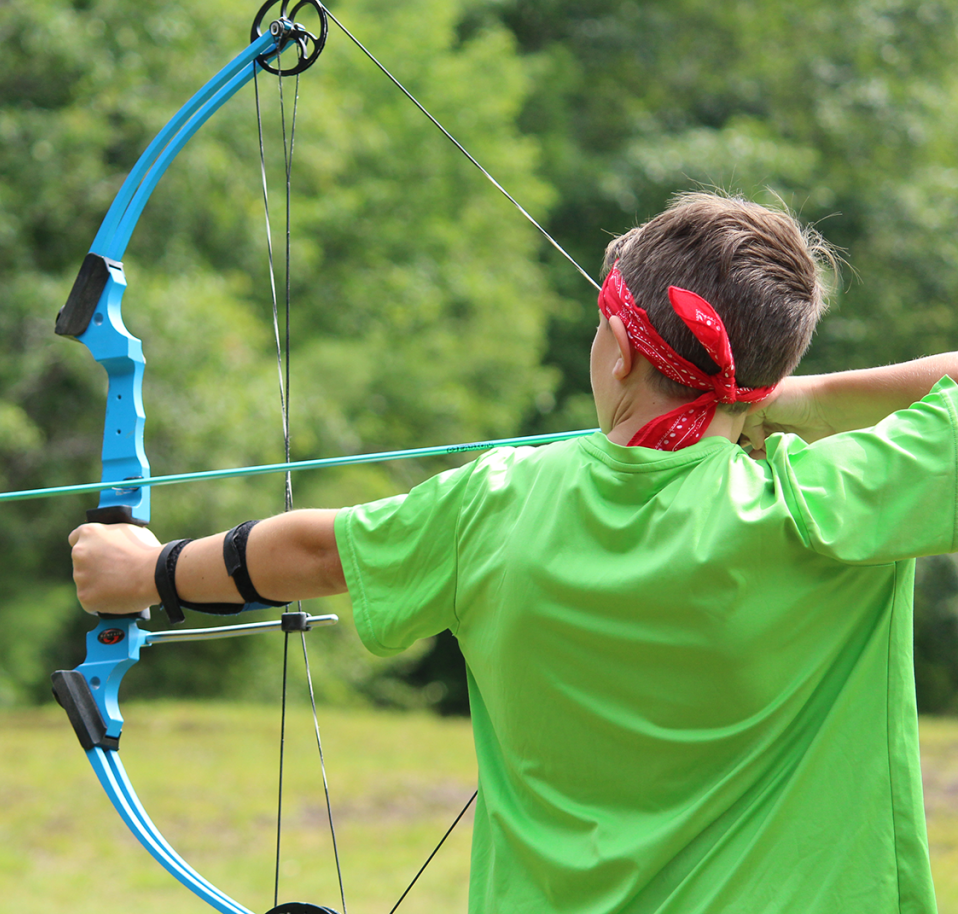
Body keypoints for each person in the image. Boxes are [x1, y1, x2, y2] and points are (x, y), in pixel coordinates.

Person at [70, 193, 956, 913]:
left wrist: (145, 572)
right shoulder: (833, 501)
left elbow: (321, 555)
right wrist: (798, 400)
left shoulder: (500, 503)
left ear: (617, 353)